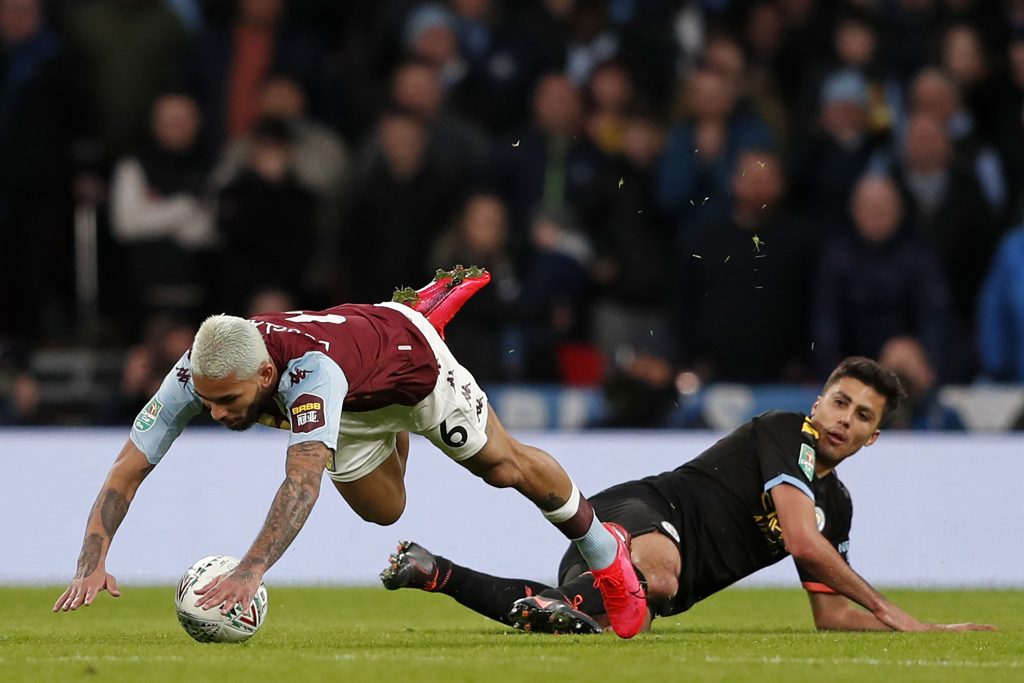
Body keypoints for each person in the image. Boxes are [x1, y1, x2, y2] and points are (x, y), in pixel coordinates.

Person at [52, 267, 647, 639]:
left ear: (264, 372)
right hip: (357, 392)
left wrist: (250, 570)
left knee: (504, 468)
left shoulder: (310, 376)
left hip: (414, 372)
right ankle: (415, 320)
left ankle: (607, 555)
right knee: (385, 511)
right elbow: (127, 469)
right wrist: (91, 561)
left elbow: (301, 485)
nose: (216, 414)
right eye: (206, 401)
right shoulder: (199, 373)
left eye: (228, 401)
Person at [381, 357, 996, 634]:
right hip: (637, 513)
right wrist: (899, 617)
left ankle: (439, 572)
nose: (844, 419)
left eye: (862, 415)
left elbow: (831, 617)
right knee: (661, 582)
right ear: (818, 402)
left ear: (873, 436)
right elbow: (803, 543)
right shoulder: (787, 432)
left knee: (621, 618)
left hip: (620, 579)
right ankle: (588, 600)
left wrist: (916, 629)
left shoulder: (840, 506)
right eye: (839, 401)